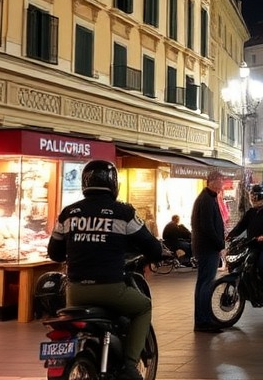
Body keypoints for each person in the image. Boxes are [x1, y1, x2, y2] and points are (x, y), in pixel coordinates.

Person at [47, 161, 163, 379]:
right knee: (142, 308)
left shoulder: (68, 213)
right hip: (110, 288)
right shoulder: (123, 213)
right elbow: (153, 247)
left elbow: (54, 252)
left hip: (75, 292)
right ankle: (129, 365)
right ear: (113, 184)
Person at [226, 185, 263, 300]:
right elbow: (241, 226)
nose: (255, 200)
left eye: (258, 197)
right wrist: (230, 235)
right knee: (244, 264)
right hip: (252, 244)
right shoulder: (250, 212)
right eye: (253, 197)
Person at [191, 170, 227, 333]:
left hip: (206, 247)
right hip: (208, 248)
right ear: (212, 181)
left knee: (203, 283)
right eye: (220, 180)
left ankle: (202, 319)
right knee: (206, 284)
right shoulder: (206, 200)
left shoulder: (208, 198)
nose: (222, 183)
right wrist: (220, 244)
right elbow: (207, 227)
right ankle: (204, 321)